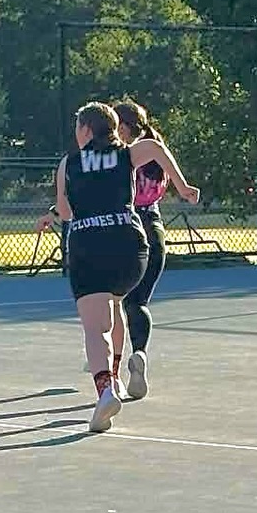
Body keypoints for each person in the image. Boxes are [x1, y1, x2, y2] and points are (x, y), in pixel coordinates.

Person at [53, 101, 198, 433]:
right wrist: (182, 186)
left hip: (89, 247)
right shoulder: (126, 154)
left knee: (95, 328)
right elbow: (156, 148)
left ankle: (106, 390)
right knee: (116, 302)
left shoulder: (68, 164)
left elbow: (66, 211)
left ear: (85, 130)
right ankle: (117, 373)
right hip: (130, 250)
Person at [115, 98, 181, 401]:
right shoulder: (156, 156)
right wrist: (185, 188)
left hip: (125, 230)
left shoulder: (122, 158)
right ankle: (139, 352)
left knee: (109, 301)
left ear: (124, 128)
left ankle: (108, 364)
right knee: (138, 302)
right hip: (154, 229)